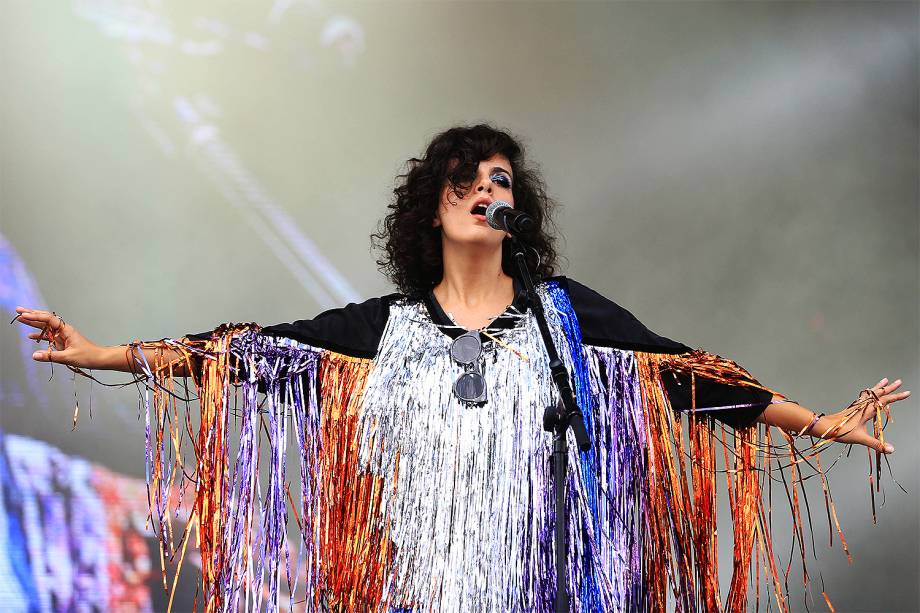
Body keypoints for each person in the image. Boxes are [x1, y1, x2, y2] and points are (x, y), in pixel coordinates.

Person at [14, 125, 910, 612]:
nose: (491, 190)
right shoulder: (382, 327)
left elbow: (691, 375)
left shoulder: (566, 315)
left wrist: (823, 421)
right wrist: (102, 352)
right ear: (434, 207)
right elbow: (241, 353)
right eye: (468, 179)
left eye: (503, 180)